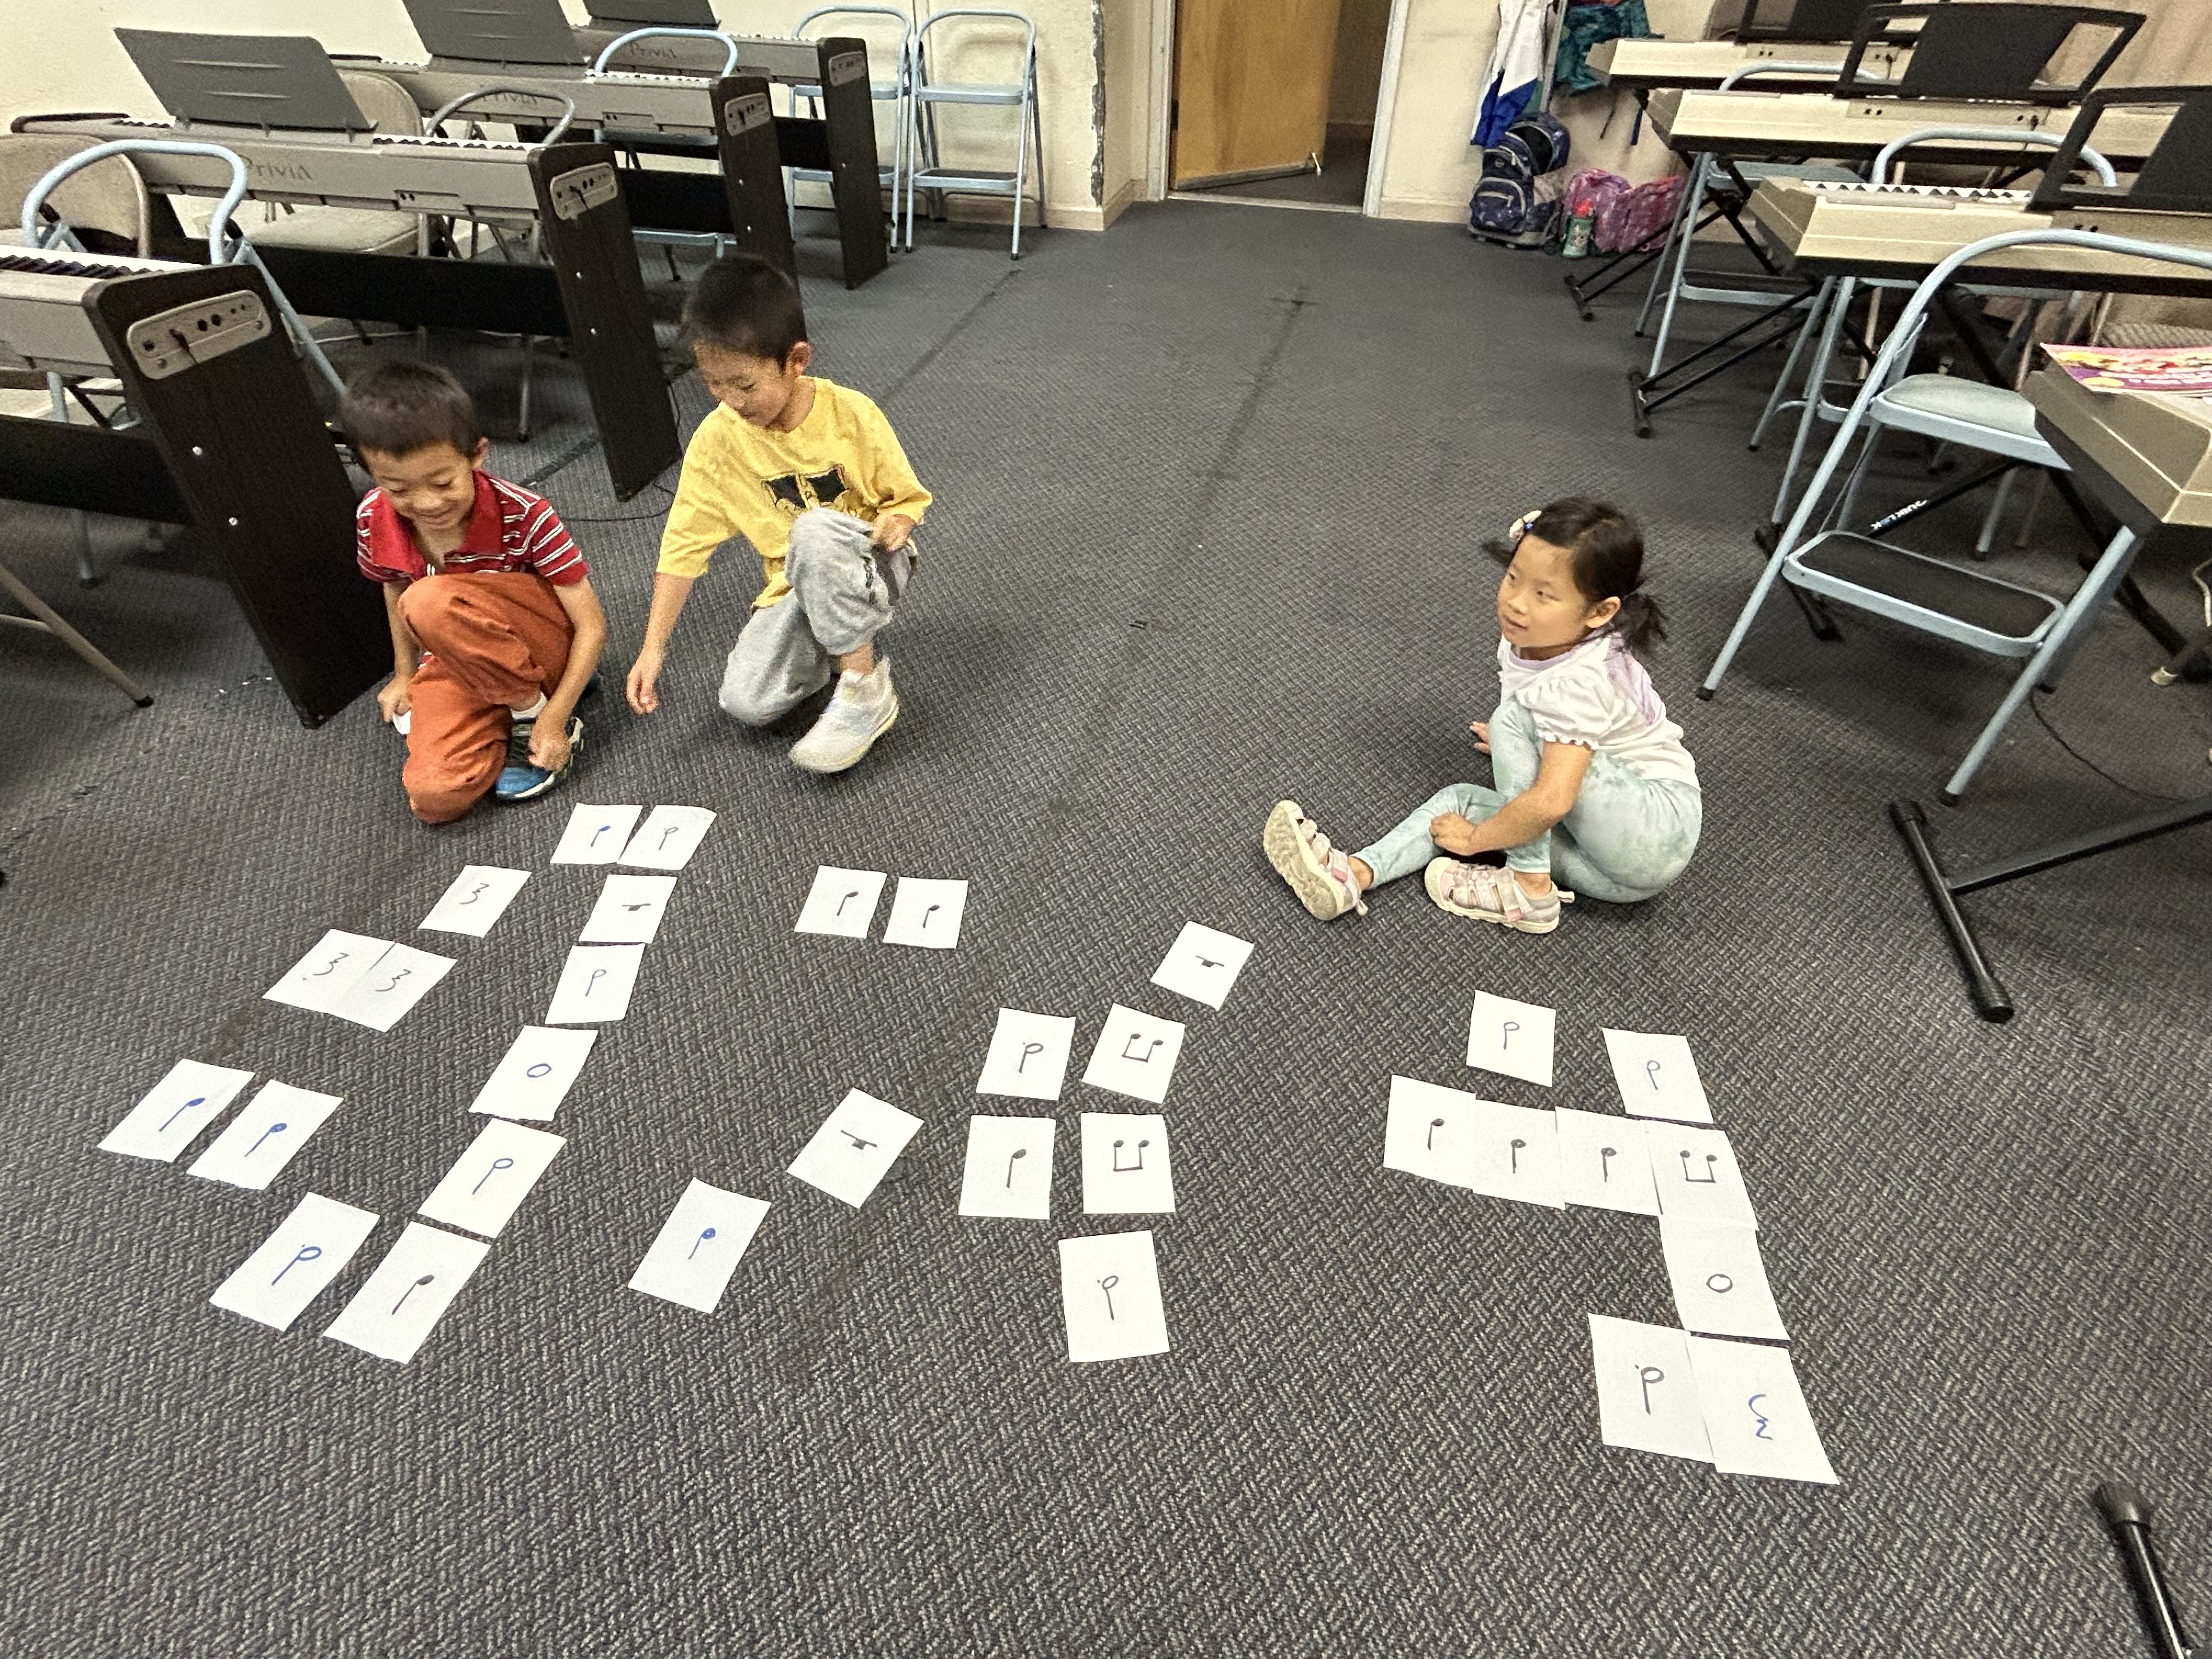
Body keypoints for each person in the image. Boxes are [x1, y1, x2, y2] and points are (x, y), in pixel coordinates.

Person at [1263, 498, 1700, 935]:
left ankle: (1529, 888)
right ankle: (1353, 876)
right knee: (1458, 801)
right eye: (1513, 578)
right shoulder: (1541, 638)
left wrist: (1476, 840)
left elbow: (1552, 801)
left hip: (1655, 828)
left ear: (1600, 612)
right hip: (1612, 875)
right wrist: (1526, 749)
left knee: (1514, 721)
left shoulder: (1576, 683)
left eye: (1544, 595)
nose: (1517, 603)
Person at [625, 253, 933, 774]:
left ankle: (864, 689)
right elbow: (682, 548)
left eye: (744, 385)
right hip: (791, 586)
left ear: (797, 360)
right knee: (746, 703)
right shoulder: (718, 441)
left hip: (872, 564)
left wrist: (898, 523)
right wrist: (653, 648)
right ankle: (833, 645)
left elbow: (905, 501)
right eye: (713, 384)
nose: (731, 400)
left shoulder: (851, 414)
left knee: (813, 531)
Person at [345, 360, 607, 823]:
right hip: (458, 655)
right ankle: (507, 709)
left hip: (542, 640)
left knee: (429, 600)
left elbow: (591, 625)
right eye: (399, 490)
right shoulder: (372, 515)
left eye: (443, 482)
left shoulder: (526, 512)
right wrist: (405, 672)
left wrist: (551, 719)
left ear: (477, 454)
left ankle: (534, 710)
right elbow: (393, 586)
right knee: (434, 797)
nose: (427, 503)